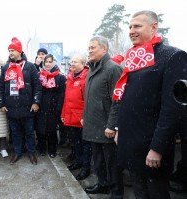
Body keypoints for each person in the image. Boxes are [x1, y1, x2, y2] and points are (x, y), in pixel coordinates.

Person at [114, 10, 187, 199]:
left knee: (155, 193)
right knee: (139, 191)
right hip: (131, 142)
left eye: (137, 26)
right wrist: (119, 129)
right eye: (130, 26)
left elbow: (172, 109)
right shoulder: (134, 56)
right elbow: (128, 100)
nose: (131, 30)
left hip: (151, 147)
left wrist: (157, 148)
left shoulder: (173, 56)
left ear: (154, 27)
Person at [82, 36, 123, 198]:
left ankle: (116, 193)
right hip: (93, 124)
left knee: (112, 163)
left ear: (104, 49)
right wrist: (85, 116)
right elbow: (90, 98)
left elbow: (118, 100)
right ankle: (103, 184)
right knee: (98, 160)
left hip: (106, 127)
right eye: (89, 48)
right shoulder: (92, 68)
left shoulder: (113, 68)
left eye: (93, 47)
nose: (89, 50)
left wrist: (112, 125)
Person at [0, 37, 42, 165]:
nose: (10, 52)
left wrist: (36, 102)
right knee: (15, 132)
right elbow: (1, 87)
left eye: (13, 50)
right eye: (9, 50)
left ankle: (31, 152)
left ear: (19, 51)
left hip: (27, 106)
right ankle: (17, 152)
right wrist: (1, 103)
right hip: (11, 106)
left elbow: (37, 86)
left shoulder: (30, 67)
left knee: (29, 132)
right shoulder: (6, 68)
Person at [61, 54, 92, 181]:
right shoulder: (69, 78)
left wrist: (85, 116)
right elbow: (66, 99)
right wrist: (63, 114)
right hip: (71, 116)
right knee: (76, 143)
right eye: (71, 62)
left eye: (75, 62)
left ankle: (86, 167)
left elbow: (88, 100)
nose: (72, 64)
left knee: (86, 145)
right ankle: (78, 161)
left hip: (82, 118)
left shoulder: (86, 78)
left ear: (83, 63)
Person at [35, 54, 66, 158]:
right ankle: (42, 148)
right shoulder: (39, 75)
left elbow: (62, 94)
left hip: (53, 106)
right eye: (46, 62)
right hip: (41, 105)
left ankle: (52, 149)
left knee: (51, 129)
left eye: (50, 62)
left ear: (53, 62)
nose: (48, 64)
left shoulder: (60, 77)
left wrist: (58, 107)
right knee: (40, 129)